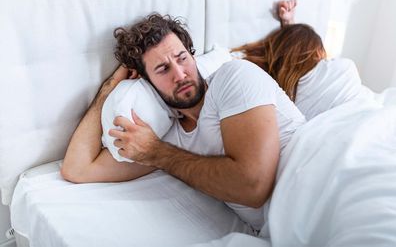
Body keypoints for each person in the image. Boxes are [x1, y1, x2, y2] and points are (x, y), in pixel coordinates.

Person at [61, 13, 306, 231]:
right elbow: (77, 168)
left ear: (192, 54)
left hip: (317, 179)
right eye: (162, 69)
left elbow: (252, 188)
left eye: (182, 58)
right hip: (294, 228)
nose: (180, 74)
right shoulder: (167, 138)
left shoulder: (235, 78)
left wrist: (156, 153)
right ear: (145, 81)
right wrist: (109, 88)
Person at [232, 0, 363, 120]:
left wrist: (290, 28)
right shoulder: (345, 67)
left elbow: (294, 56)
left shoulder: (286, 99)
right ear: (318, 52)